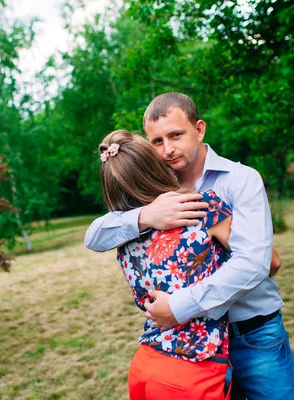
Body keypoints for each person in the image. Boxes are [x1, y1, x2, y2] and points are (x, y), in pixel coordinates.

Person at [86, 93, 294, 400]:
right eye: (157, 141)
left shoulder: (240, 180)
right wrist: (146, 216)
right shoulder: (151, 194)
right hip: (190, 350)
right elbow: (94, 236)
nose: (168, 149)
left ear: (199, 129)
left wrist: (178, 307)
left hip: (252, 332)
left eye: (176, 135)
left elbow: (262, 263)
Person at [99, 129, 234, 400]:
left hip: (145, 364)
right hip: (194, 367)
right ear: (154, 167)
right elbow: (268, 261)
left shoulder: (125, 232)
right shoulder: (200, 206)